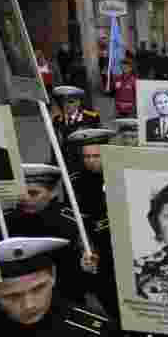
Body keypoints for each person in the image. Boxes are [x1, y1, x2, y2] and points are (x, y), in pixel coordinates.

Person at [0, 163, 90, 302]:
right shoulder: (0, 221)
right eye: (21, 193)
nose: (25, 199)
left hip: (66, 299)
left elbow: (87, 269)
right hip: (18, 301)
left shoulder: (72, 223)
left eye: (33, 193)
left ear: (53, 192)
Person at [66, 128, 118, 317]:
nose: (91, 161)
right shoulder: (75, 182)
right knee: (107, 294)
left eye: (96, 156)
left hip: (121, 239)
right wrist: (85, 248)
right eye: (87, 157)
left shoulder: (119, 173)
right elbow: (75, 219)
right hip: (97, 243)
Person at [51, 85, 102, 171]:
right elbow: (54, 144)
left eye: (70, 101)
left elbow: (98, 144)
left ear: (78, 102)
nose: (66, 105)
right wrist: (54, 165)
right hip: (66, 166)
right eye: (64, 102)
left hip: (84, 166)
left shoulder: (91, 118)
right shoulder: (57, 120)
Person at [113, 52, 138, 118]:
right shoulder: (117, 79)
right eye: (122, 66)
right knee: (121, 127)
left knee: (129, 127)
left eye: (126, 67)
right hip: (119, 109)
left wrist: (135, 109)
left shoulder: (134, 80)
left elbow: (137, 95)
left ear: (131, 68)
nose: (124, 68)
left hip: (130, 109)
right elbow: (115, 93)